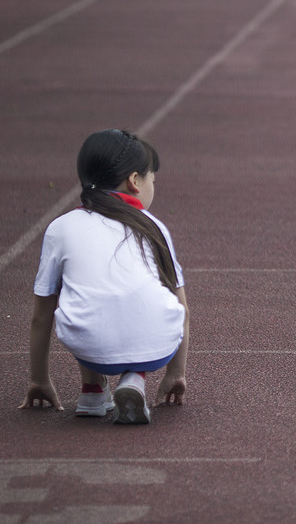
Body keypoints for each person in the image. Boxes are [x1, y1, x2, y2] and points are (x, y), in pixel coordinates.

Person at [19, 129, 189, 424]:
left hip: (90, 345)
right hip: (156, 344)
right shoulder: (155, 227)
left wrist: (39, 380)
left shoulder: (61, 227)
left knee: (84, 292)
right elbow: (183, 309)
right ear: (135, 181)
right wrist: (176, 373)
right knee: (139, 302)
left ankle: (93, 391)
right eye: (153, 180)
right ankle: (135, 378)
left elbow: (41, 316)